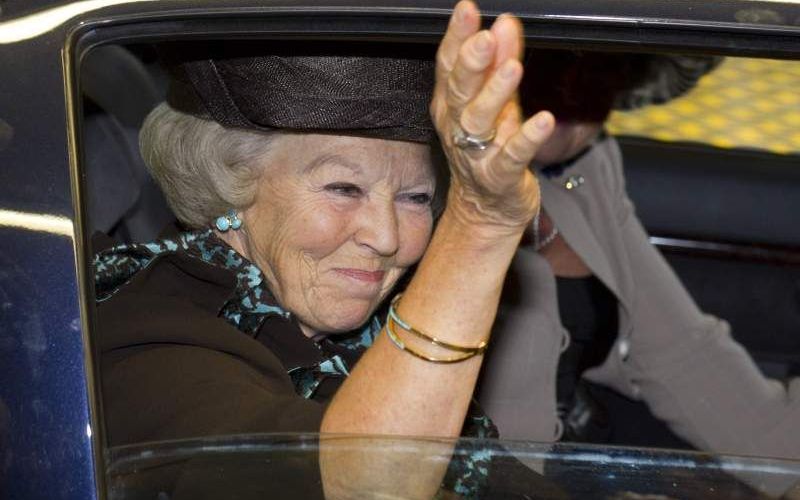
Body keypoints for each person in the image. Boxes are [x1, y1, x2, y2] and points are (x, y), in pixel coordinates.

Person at [94, 2, 560, 497]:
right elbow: (362, 487)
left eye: (416, 197)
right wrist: (480, 224)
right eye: (343, 188)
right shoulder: (143, 333)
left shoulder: (372, 340)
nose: (386, 237)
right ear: (230, 186)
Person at [476, 48, 800, 498]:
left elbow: (679, 351)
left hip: (587, 461)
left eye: (605, 62)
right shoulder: (425, 192)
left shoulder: (585, 166)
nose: (578, 85)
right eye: (552, 55)